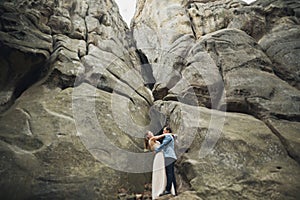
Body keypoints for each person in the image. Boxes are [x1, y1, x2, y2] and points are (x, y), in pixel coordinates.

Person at [155, 127, 177, 197]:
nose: (163, 132)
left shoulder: (168, 136)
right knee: (172, 174)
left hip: (169, 156)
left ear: (167, 131)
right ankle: (174, 191)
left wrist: (157, 150)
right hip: (171, 156)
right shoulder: (170, 136)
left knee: (169, 173)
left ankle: (168, 190)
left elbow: (164, 144)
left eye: (164, 131)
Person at [144, 131, 167, 199]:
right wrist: (167, 134)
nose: (152, 133)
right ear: (148, 136)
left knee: (162, 172)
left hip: (160, 155)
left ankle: (163, 187)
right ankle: (159, 189)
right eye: (150, 133)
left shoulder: (154, 140)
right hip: (159, 156)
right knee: (160, 172)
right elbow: (160, 137)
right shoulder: (151, 140)